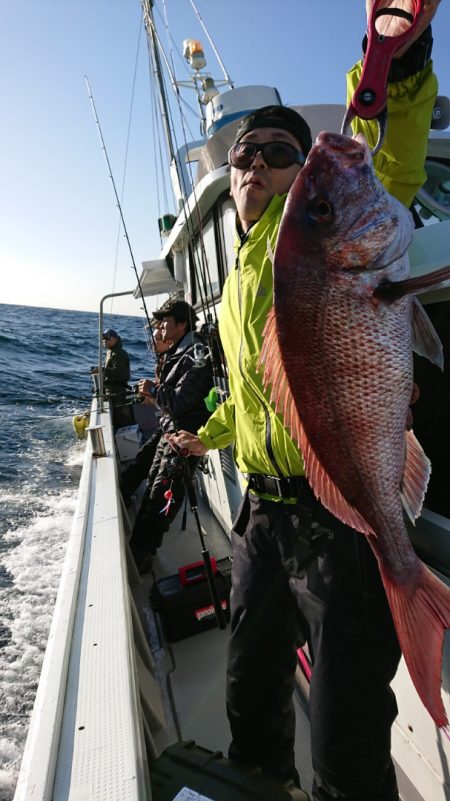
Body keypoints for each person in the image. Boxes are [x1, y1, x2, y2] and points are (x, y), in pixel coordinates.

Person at [167, 3, 441, 800]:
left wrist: (393, 58)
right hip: (259, 519)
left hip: (340, 524)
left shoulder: (315, 240)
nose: (256, 161)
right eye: (245, 153)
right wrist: (207, 433)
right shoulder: (240, 275)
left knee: (345, 743)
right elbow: (254, 394)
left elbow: (383, 161)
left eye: (280, 152)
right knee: (250, 703)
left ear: (297, 183)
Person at [129, 299, 213, 574]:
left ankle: (140, 558)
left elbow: (181, 401)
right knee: (152, 490)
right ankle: (135, 551)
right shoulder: (180, 351)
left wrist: (154, 392)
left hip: (184, 439)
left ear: (181, 323)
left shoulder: (195, 353)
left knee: (160, 502)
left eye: (165, 321)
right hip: (170, 432)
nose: (160, 326)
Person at [120, 321, 172, 507]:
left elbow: (174, 398)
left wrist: (154, 395)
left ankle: (124, 494)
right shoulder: (163, 361)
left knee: (144, 460)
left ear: (168, 342)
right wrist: (150, 399)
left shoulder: (171, 362)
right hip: (166, 422)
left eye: (157, 338)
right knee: (145, 458)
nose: (154, 342)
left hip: (173, 427)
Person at [102, 329, 131, 405]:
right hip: (110, 389)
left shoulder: (119, 353)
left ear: (115, 339)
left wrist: (102, 370)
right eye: (103, 339)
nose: (105, 341)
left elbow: (118, 372)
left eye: (107, 338)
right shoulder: (111, 351)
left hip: (116, 391)